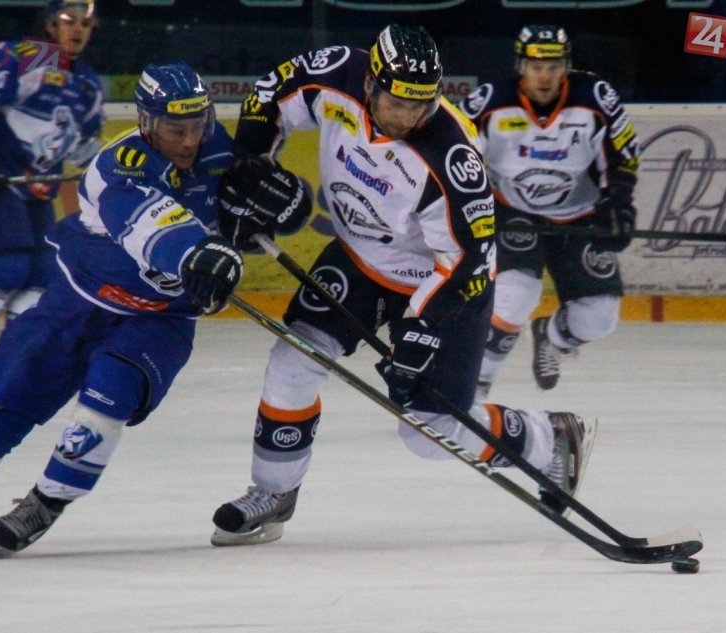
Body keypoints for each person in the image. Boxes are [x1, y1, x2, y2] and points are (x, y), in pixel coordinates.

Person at [210, 24, 596, 546]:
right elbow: (269, 95)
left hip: (441, 287)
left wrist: (421, 327)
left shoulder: (451, 156)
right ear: (371, 84)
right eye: (397, 103)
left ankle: (550, 439)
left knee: (428, 433)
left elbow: (469, 261)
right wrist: (250, 165)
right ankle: (273, 492)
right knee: (293, 361)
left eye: (420, 105)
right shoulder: (339, 74)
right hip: (358, 260)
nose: (407, 117)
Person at [0, 62, 244, 557]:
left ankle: (46, 501)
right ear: (146, 121)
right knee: (6, 401)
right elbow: (150, 227)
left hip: (159, 318)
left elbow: (253, 216)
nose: (189, 141)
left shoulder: (220, 152)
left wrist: (278, 209)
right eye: (176, 130)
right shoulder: (118, 168)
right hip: (77, 300)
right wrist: (197, 255)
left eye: (197, 126)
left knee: (107, 400)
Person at [459, 25, 640, 395]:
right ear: (521, 67)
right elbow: (453, 153)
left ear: (566, 67)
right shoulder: (490, 102)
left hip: (582, 217)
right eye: (536, 67)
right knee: (514, 296)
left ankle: (552, 336)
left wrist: (618, 205)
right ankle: (474, 384)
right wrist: (464, 206)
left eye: (554, 67)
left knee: (600, 316)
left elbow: (623, 156)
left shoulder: (595, 98)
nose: (545, 76)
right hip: (512, 211)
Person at [0, 0, 105, 391]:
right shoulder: (31, 56)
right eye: (68, 20)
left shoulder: (87, 83)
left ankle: (12, 359)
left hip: (36, 190)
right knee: (11, 268)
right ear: (49, 24)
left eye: (86, 23)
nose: (77, 29)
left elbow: (85, 147)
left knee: (43, 276)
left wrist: (111, 174)